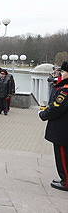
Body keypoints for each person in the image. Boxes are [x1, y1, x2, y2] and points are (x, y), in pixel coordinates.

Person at [39, 61, 68, 192]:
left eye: (63, 72)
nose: (62, 74)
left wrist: (42, 114)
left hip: (62, 130)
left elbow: (56, 108)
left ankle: (66, 181)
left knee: (63, 156)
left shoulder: (66, 90)